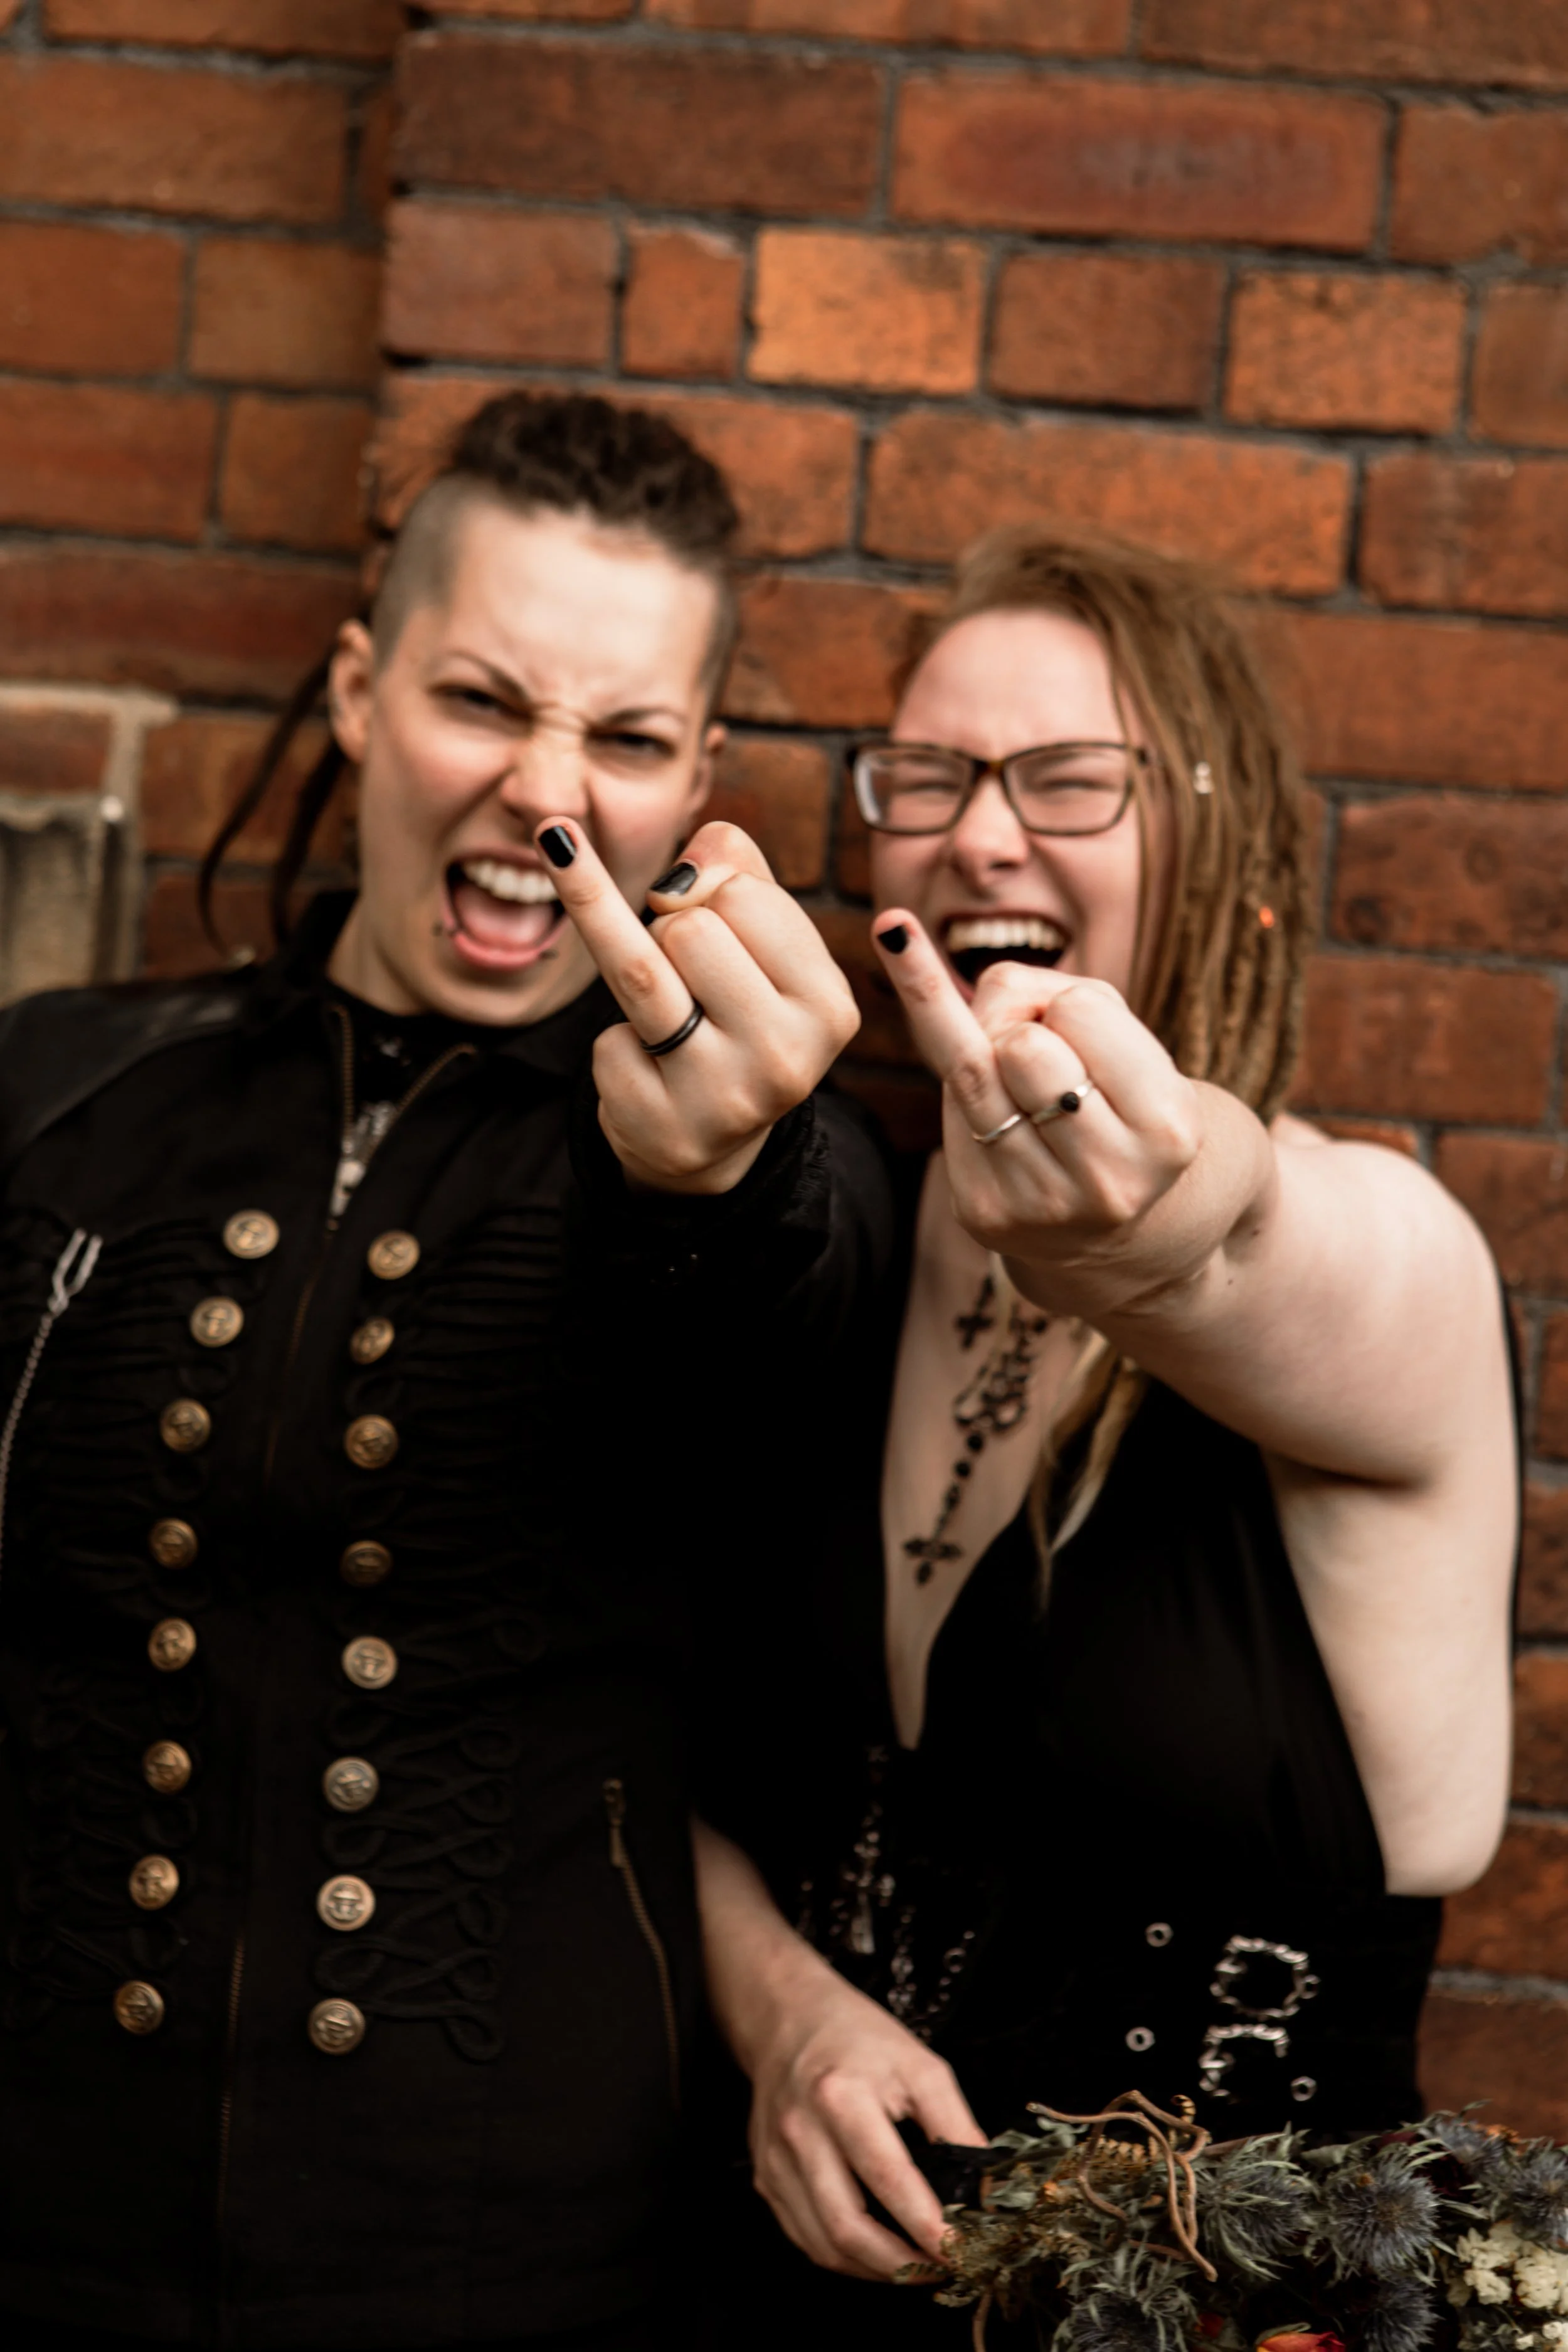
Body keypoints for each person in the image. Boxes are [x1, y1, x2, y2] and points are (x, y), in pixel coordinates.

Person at [0, 389, 858, 2349]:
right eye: (483, 698)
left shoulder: (745, 1148)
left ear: (699, 772)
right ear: (359, 687)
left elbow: (787, 1313)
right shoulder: (67, 1086)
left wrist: (710, 1174)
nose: (546, 794)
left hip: (506, 2261)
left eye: (626, 739)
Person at [669, 524, 1518, 2345]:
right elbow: (647, 1754)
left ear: (1215, 849)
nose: (981, 832)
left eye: (1067, 780)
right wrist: (783, 2016)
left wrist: (1143, 1232)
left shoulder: (1396, 1263)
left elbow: (1245, 1249)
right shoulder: (857, 1247)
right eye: (930, 778)